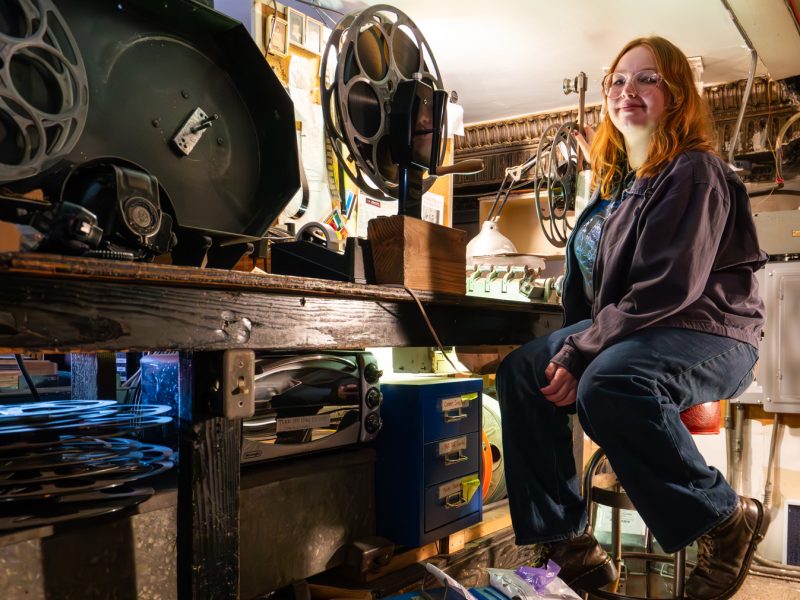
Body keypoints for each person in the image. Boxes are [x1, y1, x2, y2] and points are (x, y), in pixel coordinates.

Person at [496, 36, 768, 600]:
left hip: (710, 330)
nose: (629, 91)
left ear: (677, 96)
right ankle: (570, 546)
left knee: (611, 382)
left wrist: (581, 352)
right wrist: (568, 348)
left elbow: (668, 286)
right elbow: (596, 296)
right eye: (619, 80)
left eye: (648, 79)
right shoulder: (619, 190)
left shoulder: (693, 171)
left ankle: (725, 520)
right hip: (645, 327)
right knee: (524, 371)